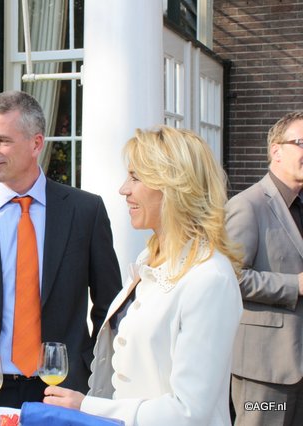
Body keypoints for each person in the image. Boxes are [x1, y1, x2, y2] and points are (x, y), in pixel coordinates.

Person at [0, 90, 121, 408]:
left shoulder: (85, 212)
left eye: (2, 141)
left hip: (63, 390)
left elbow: (109, 309)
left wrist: (91, 372)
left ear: (36, 144)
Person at [44, 126, 243, 425]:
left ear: (174, 185)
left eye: (136, 177)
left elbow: (190, 411)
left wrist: (88, 407)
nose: (124, 189)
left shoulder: (209, 278)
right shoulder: (149, 259)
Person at [226, 111, 303, 426]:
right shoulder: (247, 205)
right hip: (266, 372)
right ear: (276, 151)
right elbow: (229, 278)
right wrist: (294, 285)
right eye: (302, 143)